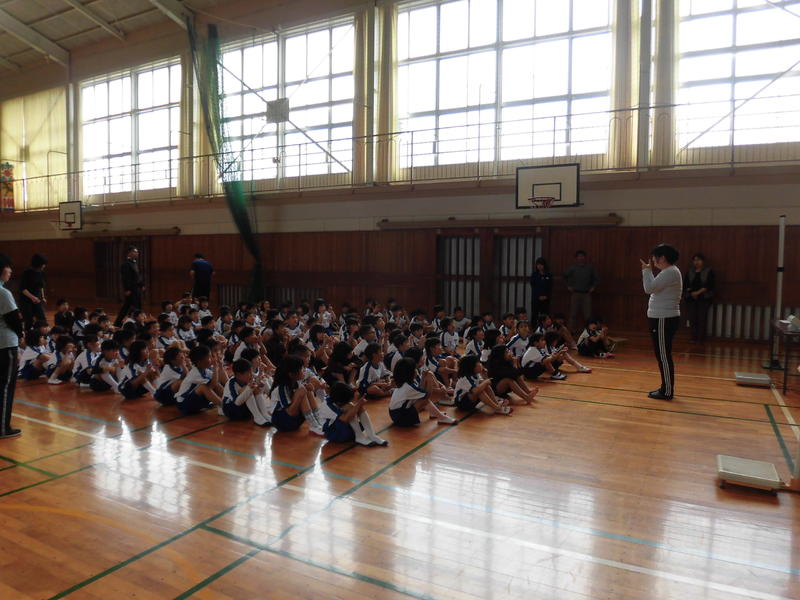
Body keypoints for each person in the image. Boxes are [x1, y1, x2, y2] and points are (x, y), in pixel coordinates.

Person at [641, 244, 683, 400]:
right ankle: (666, 388)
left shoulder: (670, 272)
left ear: (662, 258)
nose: (653, 260)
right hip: (662, 318)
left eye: (654, 257)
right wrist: (649, 271)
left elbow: (649, 288)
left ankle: (667, 391)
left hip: (663, 319)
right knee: (662, 355)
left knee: (663, 356)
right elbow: (654, 287)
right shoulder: (669, 272)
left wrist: (646, 271)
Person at [0, 254, 22, 439]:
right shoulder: (3, 293)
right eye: (8, 267)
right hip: (6, 345)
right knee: (5, 387)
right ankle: (2, 428)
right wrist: (21, 336)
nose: (10, 271)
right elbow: (14, 320)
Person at [564, 250, 599, 331]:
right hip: (575, 293)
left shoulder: (590, 268)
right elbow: (565, 275)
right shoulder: (573, 268)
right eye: (579, 256)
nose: (581, 258)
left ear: (585, 257)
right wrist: (568, 285)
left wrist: (593, 287)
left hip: (586, 294)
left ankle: (589, 331)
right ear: (576, 258)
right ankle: (570, 331)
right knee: (573, 313)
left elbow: (596, 279)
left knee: (588, 314)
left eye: (582, 256)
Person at [684, 253, 715, 343]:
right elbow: (686, 284)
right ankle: (693, 337)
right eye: (694, 260)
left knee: (702, 318)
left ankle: (701, 338)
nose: (696, 262)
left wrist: (698, 292)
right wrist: (692, 293)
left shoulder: (709, 271)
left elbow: (709, 285)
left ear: (703, 261)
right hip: (691, 298)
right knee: (692, 318)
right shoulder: (690, 272)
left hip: (704, 298)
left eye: (698, 260)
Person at [114, 247, 144, 327]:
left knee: (127, 306)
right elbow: (125, 278)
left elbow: (137, 276)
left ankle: (118, 323)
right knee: (135, 307)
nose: (137, 253)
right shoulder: (125, 264)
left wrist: (141, 285)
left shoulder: (134, 263)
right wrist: (127, 289)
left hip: (136, 289)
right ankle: (137, 323)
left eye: (137, 252)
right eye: (135, 252)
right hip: (131, 289)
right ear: (130, 253)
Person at [18, 253, 48, 332]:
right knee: (29, 320)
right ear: (38, 263)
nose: (44, 265)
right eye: (43, 264)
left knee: (42, 318)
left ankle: (42, 335)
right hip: (26, 300)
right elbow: (23, 289)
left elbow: (41, 286)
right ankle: (28, 335)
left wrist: (43, 297)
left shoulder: (41, 273)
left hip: (36, 299)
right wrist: (32, 297)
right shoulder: (26, 273)